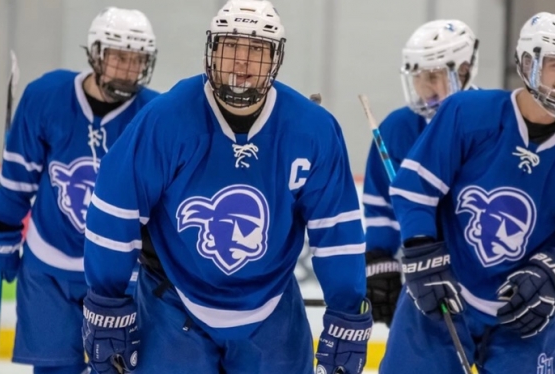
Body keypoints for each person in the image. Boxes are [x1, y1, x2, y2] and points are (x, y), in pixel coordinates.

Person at [80, 1, 372, 373]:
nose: (242, 61)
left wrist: (347, 311)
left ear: (275, 59)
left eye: (256, 50)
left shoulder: (312, 130)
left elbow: (337, 229)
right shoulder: (165, 120)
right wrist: (107, 301)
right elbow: (115, 209)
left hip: (272, 307)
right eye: (231, 46)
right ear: (212, 51)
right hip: (173, 300)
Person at [382, 12, 555, 373]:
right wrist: (420, 250)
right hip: (443, 297)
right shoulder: (466, 113)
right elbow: (415, 186)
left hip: (525, 310)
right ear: (527, 63)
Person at [0, 7, 159, 374]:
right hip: (49, 267)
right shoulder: (47, 97)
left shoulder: (153, 113)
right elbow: (18, 179)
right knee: (54, 369)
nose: (127, 68)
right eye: (118, 56)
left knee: (117, 368)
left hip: (119, 273)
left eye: (136, 59)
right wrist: (1, 230)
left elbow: (160, 202)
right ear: (95, 53)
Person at [363, 19, 479, 328]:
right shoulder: (397, 128)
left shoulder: (494, 119)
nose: (425, 88)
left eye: (433, 76)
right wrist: (380, 260)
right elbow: (381, 207)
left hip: (492, 280)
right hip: (424, 279)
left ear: (464, 71)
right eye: (418, 78)